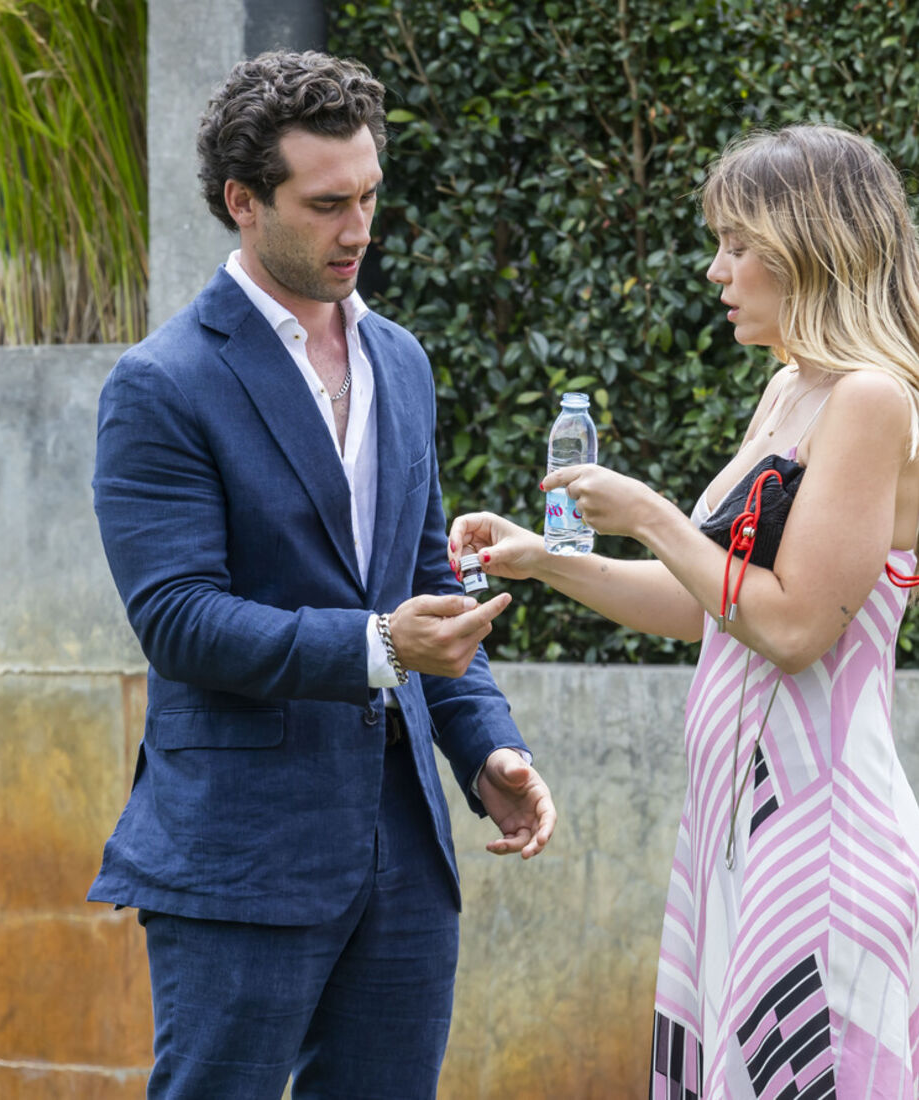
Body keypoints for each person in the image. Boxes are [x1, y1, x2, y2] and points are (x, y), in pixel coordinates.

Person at [87, 49, 556, 1099]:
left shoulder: (402, 359)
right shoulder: (161, 383)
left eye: (369, 196)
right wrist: (378, 644)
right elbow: (177, 617)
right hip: (239, 850)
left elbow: (425, 580)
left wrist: (487, 748)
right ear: (242, 202)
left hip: (405, 848)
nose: (359, 230)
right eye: (327, 204)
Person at [449, 123, 919, 1098]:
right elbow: (711, 606)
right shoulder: (791, 388)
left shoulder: (872, 399)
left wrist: (652, 515)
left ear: (812, 246)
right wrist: (546, 561)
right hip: (731, 831)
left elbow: (792, 629)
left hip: (820, 840)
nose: (715, 270)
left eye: (737, 245)